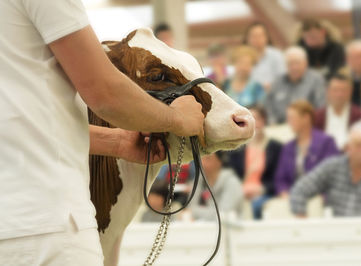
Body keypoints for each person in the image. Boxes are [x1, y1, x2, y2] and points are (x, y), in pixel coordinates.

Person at [0, 1, 205, 265]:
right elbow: (102, 91)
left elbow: (20, 124)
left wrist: (116, 142)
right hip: (48, 224)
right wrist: (176, 118)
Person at [290, 128, 361, 217]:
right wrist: (301, 216)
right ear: (348, 148)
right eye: (359, 145)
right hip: (336, 232)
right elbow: (300, 189)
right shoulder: (332, 167)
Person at [274, 100, 339, 197]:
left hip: (321, 198)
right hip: (293, 198)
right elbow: (280, 179)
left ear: (306, 118)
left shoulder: (326, 142)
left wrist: (321, 197)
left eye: (292, 118)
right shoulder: (288, 147)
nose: (289, 122)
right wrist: (284, 193)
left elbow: (333, 175)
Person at [227, 106, 282, 219]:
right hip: (240, 192)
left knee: (257, 205)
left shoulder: (275, 148)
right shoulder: (236, 149)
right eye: (250, 119)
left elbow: (279, 178)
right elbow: (231, 175)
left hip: (263, 193)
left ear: (264, 120)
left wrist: (263, 189)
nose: (255, 123)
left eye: (257, 119)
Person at [266, 46, 326, 124]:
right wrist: (272, 121)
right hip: (280, 126)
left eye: (297, 63)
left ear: (305, 63)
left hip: (307, 127)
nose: (294, 67)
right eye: (290, 64)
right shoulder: (278, 81)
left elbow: (321, 107)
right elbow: (268, 105)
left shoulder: (316, 80)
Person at [314, 71, 361, 149]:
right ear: (328, 92)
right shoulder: (317, 116)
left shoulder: (359, 116)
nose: (339, 94)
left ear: (350, 92)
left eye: (344, 90)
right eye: (335, 90)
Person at [189, 152, 244, 220]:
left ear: (220, 161)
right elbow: (190, 207)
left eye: (207, 159)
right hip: (201, 228)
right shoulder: (199, 179)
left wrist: (194, 212)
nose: (202, 163)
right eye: (201, 159)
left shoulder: (232, 183)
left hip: (229, 228)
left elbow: (223, 215)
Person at [243, 22, 286, 91]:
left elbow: (283, 78)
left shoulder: (276, 55)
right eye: (253, 36)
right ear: (247, 38)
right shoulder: (242, 56)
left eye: (260, 36)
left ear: (266, 37)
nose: (257, 39)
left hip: (271, 93)